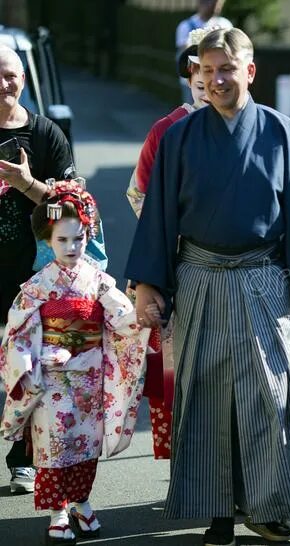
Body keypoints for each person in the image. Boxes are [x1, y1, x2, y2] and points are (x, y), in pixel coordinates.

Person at [125, 28, 290, 546]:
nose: (217, 79)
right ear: (197, 74)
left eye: (227, 68)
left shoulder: (283, 132)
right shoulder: (179, 138)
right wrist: (149, 283)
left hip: (263, 275)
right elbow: (158, 216)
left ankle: (268, 507)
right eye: (207, 70)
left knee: (272, 391)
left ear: (250, 71)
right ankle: (216, 513)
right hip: (200, 275)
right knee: (207, 396)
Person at [0, 180, 148, 545]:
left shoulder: (97, 280)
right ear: (47, 240)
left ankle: (81, 500)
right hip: (51, 380)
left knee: (86, 443)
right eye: (62, 240)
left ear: (88, 236)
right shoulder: (37, 286)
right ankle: (58, 510)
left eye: (78, 239)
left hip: (91, 377)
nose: (71, 247)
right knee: (55, 443)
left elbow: (123, 318)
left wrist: (144, 319)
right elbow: (16, 334)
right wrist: (32, 362)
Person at [126, 26, 212, 460]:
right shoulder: (167, 129)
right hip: (177, 259)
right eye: (199, 75)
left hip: (238, 264)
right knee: (177, 368)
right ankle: (185, 464)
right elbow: (138, 193)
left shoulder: (255, 124)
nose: (207, 83)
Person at [0, 44, 76, 495]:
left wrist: (27, 185)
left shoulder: (46, 135)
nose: (3, 84)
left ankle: (22, 460)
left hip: (31, 277)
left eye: (10, 75)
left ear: (24, 80)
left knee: (28, 372)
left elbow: (72, 209)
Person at [175, 0, 232, 104]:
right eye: (214, 2)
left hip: (217, 78)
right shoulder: (186, 25)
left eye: (219, 2)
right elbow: (183, 53)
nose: (217, 6)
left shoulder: (225, 24)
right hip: (193, 81)